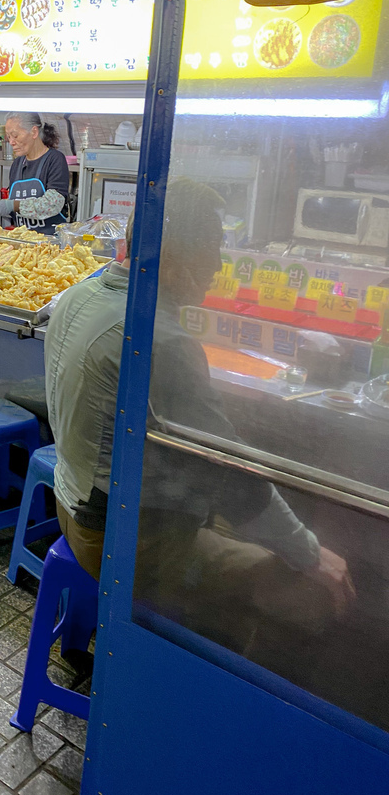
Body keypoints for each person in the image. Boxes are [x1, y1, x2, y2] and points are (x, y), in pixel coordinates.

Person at [44, 177, 355, 660]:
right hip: (120, 541)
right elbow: (229, 474)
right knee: (303, 592)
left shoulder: (77, 296)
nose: (218, 265)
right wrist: (310, 554)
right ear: (177, 256)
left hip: (69, 503)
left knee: (243, 532)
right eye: (210, 248)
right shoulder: (158, 339)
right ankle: (181, 685)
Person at [0, 113, 70, 235]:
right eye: (8, 137)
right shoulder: (17, 163)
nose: (11, 142)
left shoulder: (55, 160)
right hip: (23, 242)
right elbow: (17, 206)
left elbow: (52, 204)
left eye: (15, 136)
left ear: (34, 132)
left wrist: (11, 205)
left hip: (50, 244)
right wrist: (0, 207)